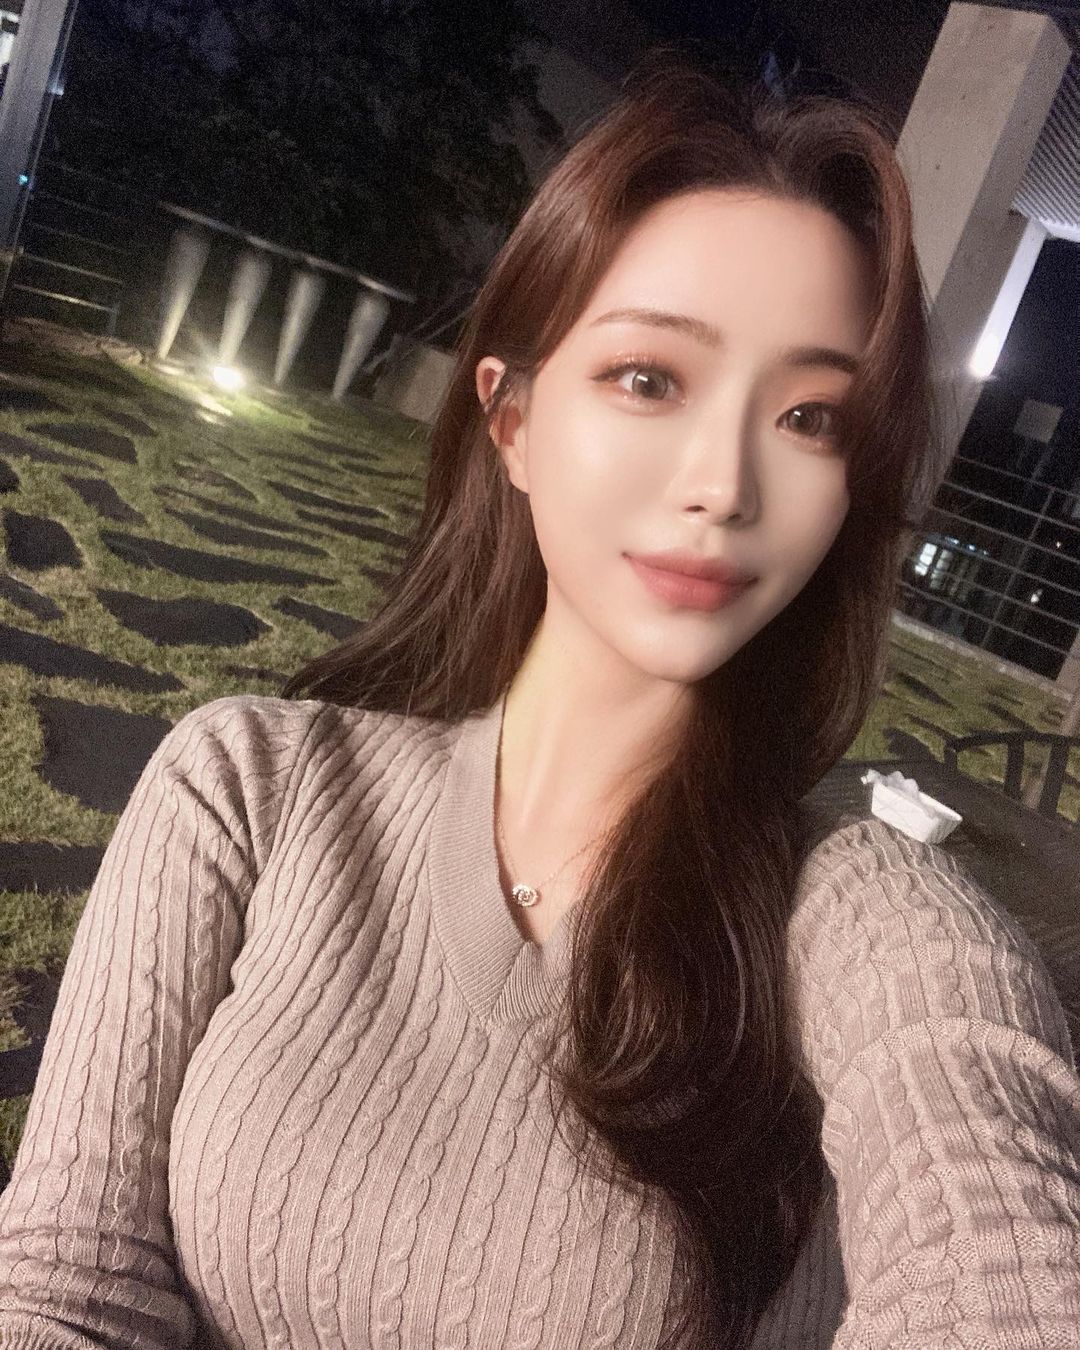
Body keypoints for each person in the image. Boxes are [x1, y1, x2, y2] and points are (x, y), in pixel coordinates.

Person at [2, 55, 1079, 1350]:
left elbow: (996, 1245)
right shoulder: (252, 786)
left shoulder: (860, 914)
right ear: (510, 420)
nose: (723, 484)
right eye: (650, 379)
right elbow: (64, 1283)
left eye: (808, 416)